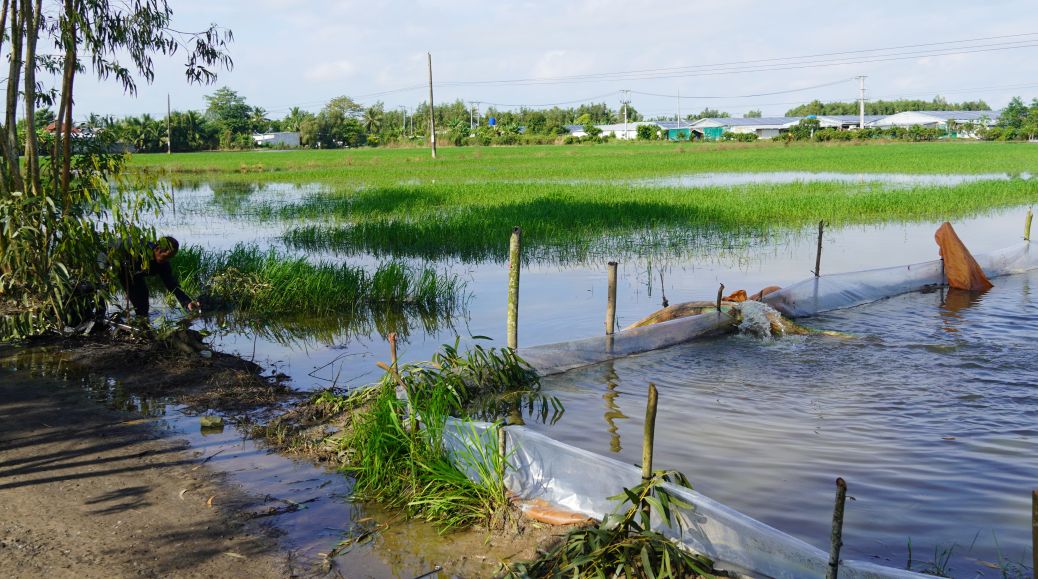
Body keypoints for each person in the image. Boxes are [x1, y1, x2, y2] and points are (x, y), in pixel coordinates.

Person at [118, 236, 200, 318]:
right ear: (157, 249)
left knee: (142, 304)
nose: (167, 260)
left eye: (170, 257)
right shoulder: (138, 251)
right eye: (166, 256)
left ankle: (142, 323)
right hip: (118, 269)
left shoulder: (163, 264)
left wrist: (187, 302)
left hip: (135, 276)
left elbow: (172, 285)